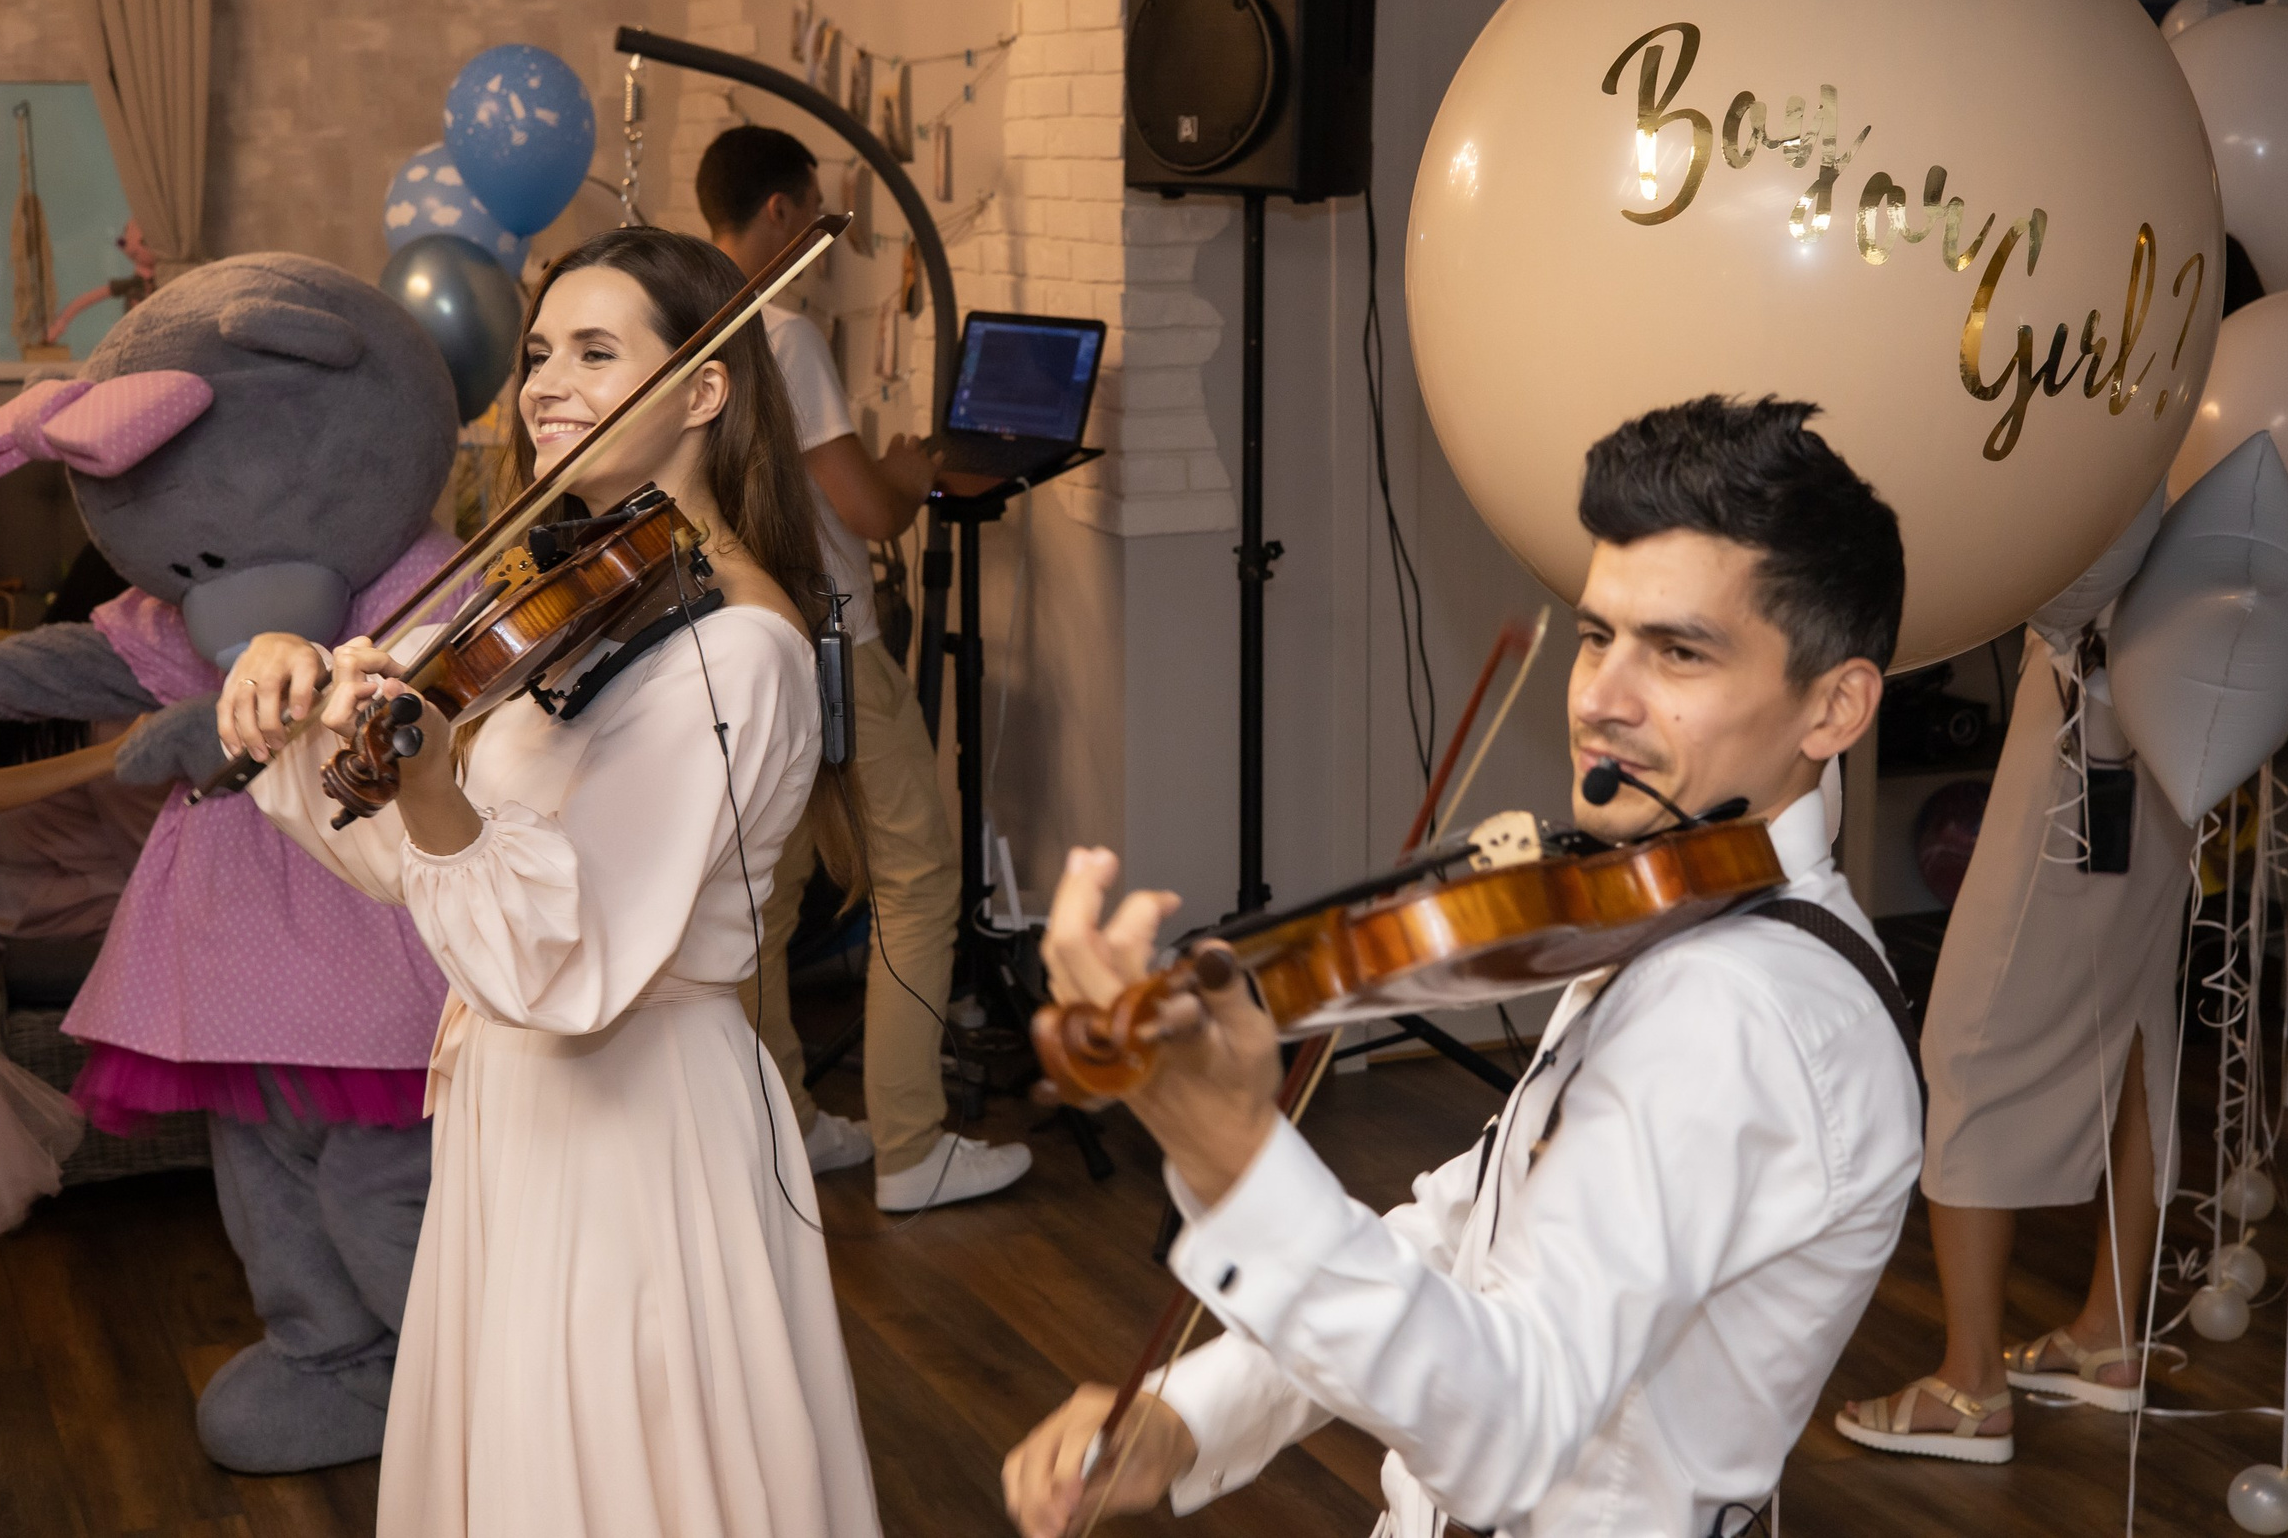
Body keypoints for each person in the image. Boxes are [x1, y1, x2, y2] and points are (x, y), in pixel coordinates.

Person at [1005, 397, 1925, 1538]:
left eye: (1679, 652)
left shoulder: (1736, 1004)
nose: (1602, 699)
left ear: (1834, 705)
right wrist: (1193, 1414)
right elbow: (1467, 1234)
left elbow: (1513, 1431)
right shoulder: (1668, 905)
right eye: (1597, 637)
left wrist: (1238, 1156)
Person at [216, 227, 880, 1536]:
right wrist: (297, 702)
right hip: (514, 1106)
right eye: (536, 353)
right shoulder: (567, 609)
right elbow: (405, 861)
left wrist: (423, 776)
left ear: (702, 390)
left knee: (626, 1466)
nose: (545, 384)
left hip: (634, 1122)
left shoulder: (738, 650)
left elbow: (559, 964)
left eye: (595, 350)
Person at [699, 123, 1029, 1211]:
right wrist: (909, 469)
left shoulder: (683, 331)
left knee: (767, 897)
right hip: (835, 642)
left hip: (747, 652)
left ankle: (782, 1125)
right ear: (787, 213)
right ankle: (911, 1147)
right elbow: (865, 509)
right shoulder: (781, 338)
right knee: (919, 879)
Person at [1836, 621, 2192, 1462]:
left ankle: (1970, 1386)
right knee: (2139, 1010)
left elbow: (2079, 550)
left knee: (1970, 1030)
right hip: (2187, 698)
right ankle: (2106, 1335)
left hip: (2093, 699)